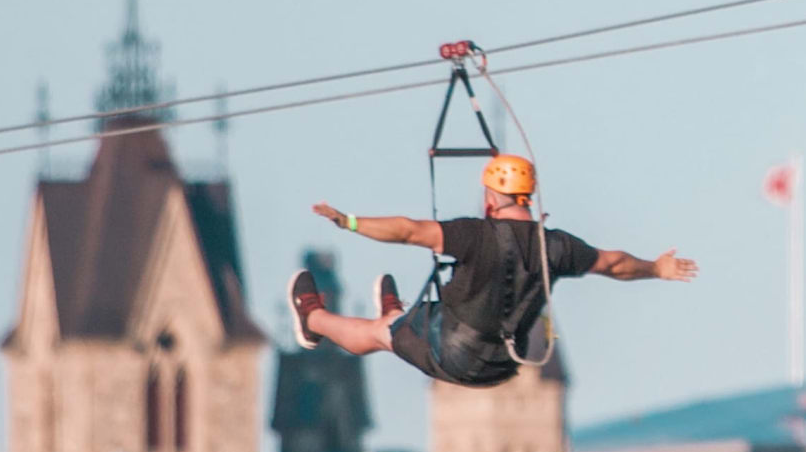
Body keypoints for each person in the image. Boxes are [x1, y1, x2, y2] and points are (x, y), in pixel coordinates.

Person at [288, 154, 697, 386]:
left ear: (490, 197)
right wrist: (657, 268)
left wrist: (351, 222)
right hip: (503, 365)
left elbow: (408, 231)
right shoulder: (557, 245)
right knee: (410, 322)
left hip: (452, 354)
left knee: (379, 335)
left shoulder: (474, 235)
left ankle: (313, 320)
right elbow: (615, 264)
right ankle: (398, 315)